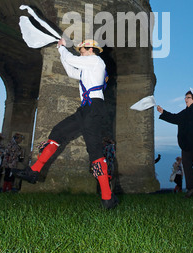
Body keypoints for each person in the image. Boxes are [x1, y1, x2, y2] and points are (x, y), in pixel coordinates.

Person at [16, 39, 118, 210]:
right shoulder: (89, 67)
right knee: (58, 132)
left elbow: (72, 60)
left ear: (91, 49)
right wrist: (60, 50)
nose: (80, 52)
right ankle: (33, 171)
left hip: (93, 108)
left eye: (82, 49)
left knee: (94, 151)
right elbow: (71, 71)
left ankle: (108, 197)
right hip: (86, 109)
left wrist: (63, 48)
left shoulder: (95, 61)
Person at [157, 90, 193, 198]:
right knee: (186, 166)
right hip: (187, 145)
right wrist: (163, 112)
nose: (185, 99)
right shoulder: (185, 113)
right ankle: (191, 189)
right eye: (185, 97)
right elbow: (175, 118)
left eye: (188, 97)